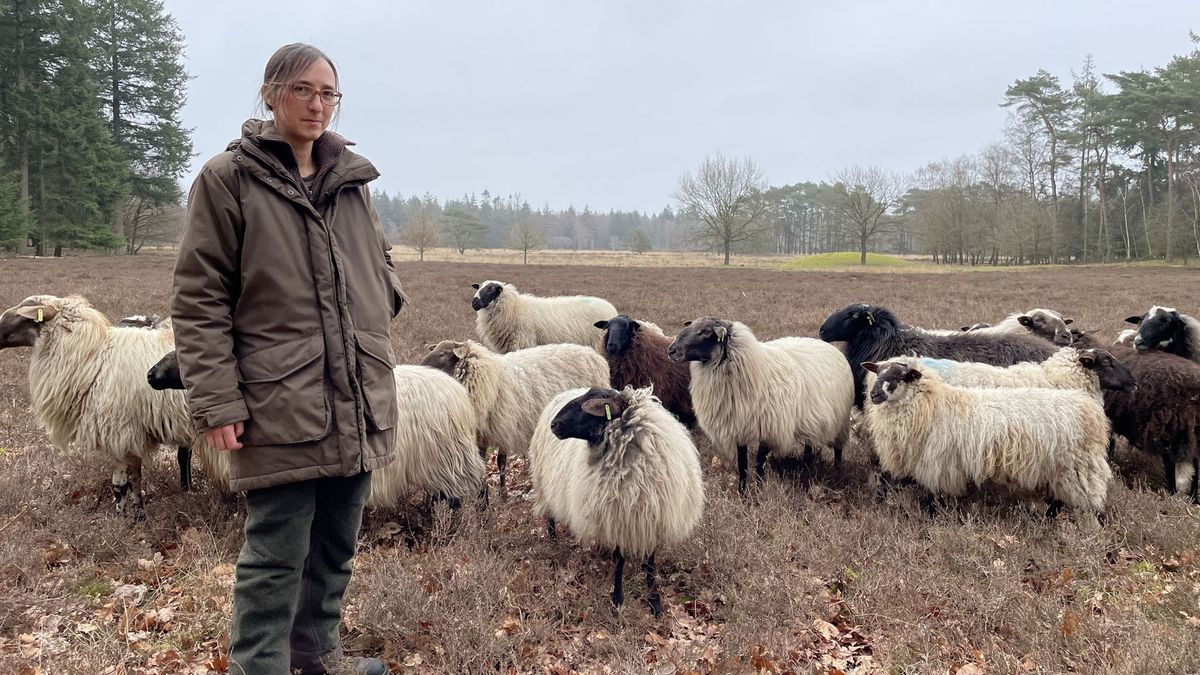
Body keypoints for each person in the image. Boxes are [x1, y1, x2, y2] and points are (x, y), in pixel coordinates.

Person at [171, 43, 404, 675]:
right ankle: (261, 666)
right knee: (275, 556)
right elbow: (199, 298)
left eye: (330, 92)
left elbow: (378, 262)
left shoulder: (351, 179)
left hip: (357, 392)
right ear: (271, 93)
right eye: (304, 89)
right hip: (282, 399)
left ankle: (315, 658)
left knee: (335, 548)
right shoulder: (229, 179)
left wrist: (382, 298)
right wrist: (217, 399)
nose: (318, 103)